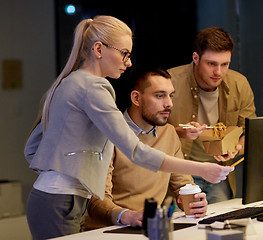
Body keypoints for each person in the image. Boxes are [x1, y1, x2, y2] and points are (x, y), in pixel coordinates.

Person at [24, 16, 233, 239]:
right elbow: (136, 151)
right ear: (98, 49)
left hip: (51, 197)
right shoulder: (95, 87)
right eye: (124, 53)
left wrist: (62, 167)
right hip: (62, 200)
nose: (129, 62)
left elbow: (32, 148)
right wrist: (202, 169)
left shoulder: (69, 81)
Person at [84, 67, 207, 230]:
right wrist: (126, 216)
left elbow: (182, 185)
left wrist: (193, 203)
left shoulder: (169, 133)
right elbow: (95, 200)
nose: (169, 103)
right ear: (136, 98)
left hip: (148, 228)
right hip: (108, 231)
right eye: (159, 95)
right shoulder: (107, 135)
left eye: (170, 95)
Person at [167, 27, 256, 204]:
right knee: (181, 229)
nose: (219, 72)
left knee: (223, 225)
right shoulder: (169, 82)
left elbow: (251, 132)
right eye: (211, 64)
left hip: (218, 173)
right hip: (178, 175)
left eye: (225, 64)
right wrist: (179, 133)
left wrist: (235, 149)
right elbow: (148, 133)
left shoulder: (239, 84)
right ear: (196, 58)